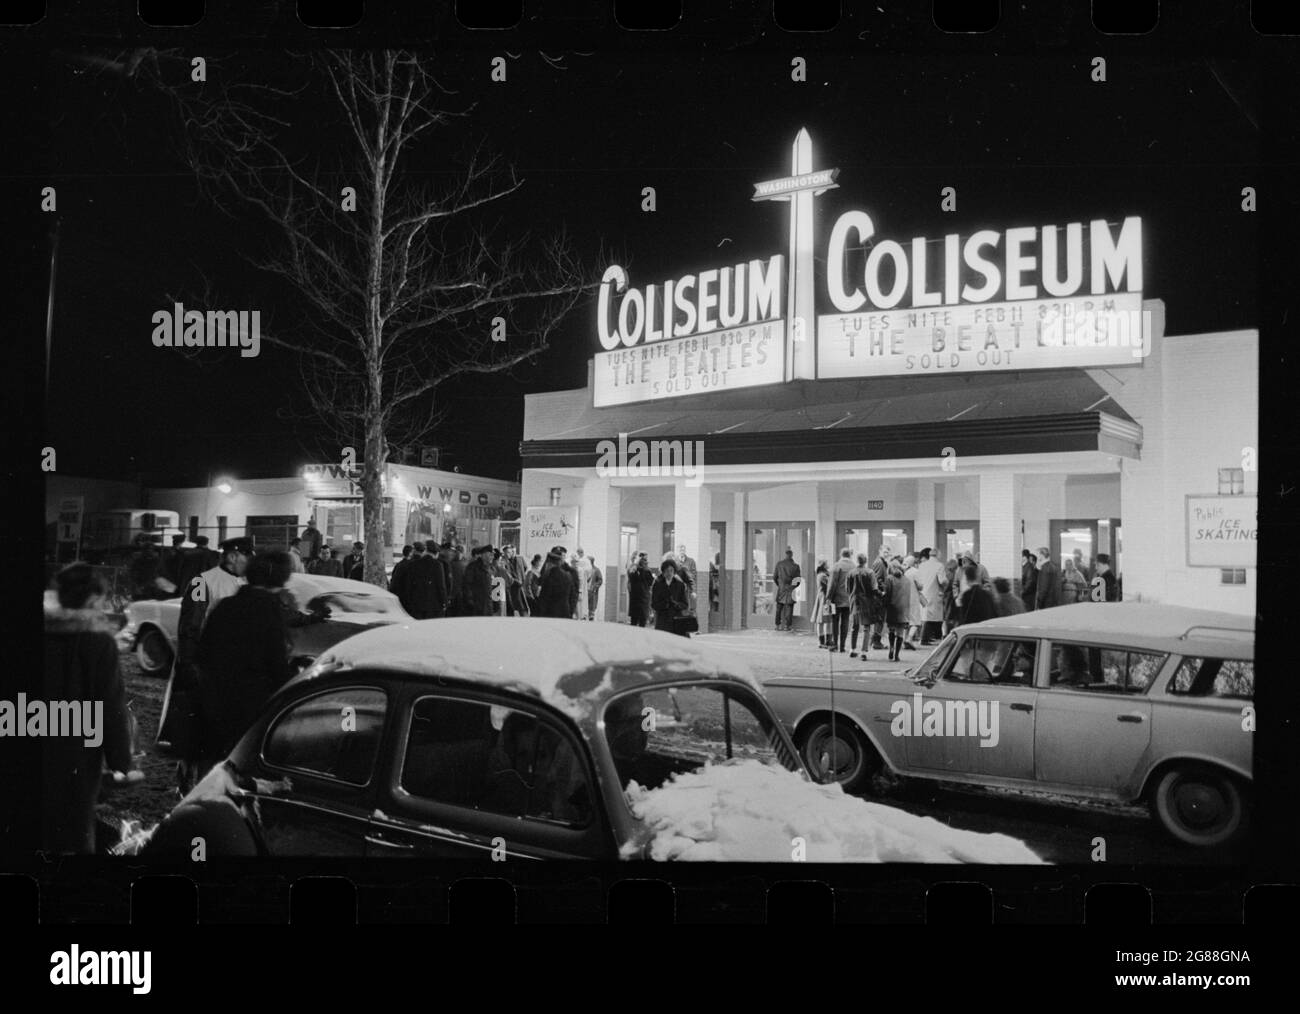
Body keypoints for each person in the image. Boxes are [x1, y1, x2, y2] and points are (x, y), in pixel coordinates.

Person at [42, 564, 137, 853]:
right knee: (75, 831)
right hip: (76, 750)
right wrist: (121, 761)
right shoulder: (97, 641)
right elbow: (111, 706)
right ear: (94, 598)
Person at [161, 536, 253, 792]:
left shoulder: (244, 583)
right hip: (205, 669)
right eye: (247, 555)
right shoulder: (203, 581)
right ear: (233, 555)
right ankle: (190, 783)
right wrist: (189, 664)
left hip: (228, 671)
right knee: (198, 732)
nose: (250, 560)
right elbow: (190, 626)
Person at [193, 551, 296, 772]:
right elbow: (276, 664)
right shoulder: (269, 609)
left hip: (214, 704)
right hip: (251, 708)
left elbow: (202, 652)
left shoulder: (224, 606)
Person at [406, 541, 451, 619]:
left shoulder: (414, 564)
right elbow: (441, 586)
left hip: (417, 603)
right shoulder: (437, 565)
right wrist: (444, 602)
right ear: (436, 553)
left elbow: (409, 584)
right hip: (433, 605)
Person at [883, 558, 913, 661]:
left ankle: (891, 648)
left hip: (892, 608)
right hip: (904, 609)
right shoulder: (907, 580)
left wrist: (884, 604)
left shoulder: (889, 578)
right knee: (900, 633)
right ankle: (897, 655)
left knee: (891, 629)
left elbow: (887, 594)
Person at [848, 552, 876, 659]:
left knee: (854, 626)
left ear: (857, 561)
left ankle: (852, 649)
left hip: (854, 600)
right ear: (866, 561)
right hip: (867, 602)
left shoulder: (851, 573)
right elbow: (874, 588)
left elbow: (847, 589)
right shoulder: (870, 572)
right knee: (866, 627)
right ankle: (864, 652)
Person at [915, 548, 947, 645]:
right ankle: (925, 638)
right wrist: (947, 582)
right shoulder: (939, 566)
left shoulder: (922, 565)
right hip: (934, 593)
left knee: (926, 615)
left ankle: (928, 637)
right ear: (937, 555)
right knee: (933, 617)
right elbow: (942, 581)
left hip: (923, 593)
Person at [651, 558, 690, 636]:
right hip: (662, 620)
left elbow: (685, 604)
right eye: (667, 571)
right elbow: (653, 604)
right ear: (663, 572)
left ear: (674, 571)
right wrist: (665, 604)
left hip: (676, 618)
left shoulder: (680, 585)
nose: (669, 573)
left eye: (671, 570)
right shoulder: (658, 584)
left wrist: (676, 604)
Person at [826, 548, 855, 653]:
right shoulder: (854, 566)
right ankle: (842, 646)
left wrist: (828, 598)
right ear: (850, 555)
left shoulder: (836, 566)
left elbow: (832, 584)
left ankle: (835, 644)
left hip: (836, 599)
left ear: (841, 555)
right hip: (849, 599)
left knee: (835, 620)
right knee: (845, 621)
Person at [538, 549, 576, 618]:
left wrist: (541, 613)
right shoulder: (568, 575)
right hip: (565, 612)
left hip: (550, 613)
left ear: (549, 563)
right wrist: (571, 612)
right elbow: (572, 596)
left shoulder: (549, 576)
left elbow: (544, 597)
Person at [462, 545, 496, 616]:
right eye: (490, 555)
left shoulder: (492, 569)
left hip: (488, 605)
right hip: (476, 605)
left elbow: (493, 587)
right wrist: (470, 601)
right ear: (483, 555)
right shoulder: (473, 567)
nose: (492, 557)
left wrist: (495, 604)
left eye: (493, 555)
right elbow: (467, 585)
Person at [773, 547, 801, 632]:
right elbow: (797, 580)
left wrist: (780, 585)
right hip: (791, 589)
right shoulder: (795, 566)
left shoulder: (779, 564)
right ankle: (787, 626)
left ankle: (778, 625)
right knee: (789, 608)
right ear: (792, 556)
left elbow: (774, 577)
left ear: (785, 555)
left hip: (781, 588)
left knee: (779, 607)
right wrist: (793, 587)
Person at [869, 545, 890, 649]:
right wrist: (882, 590)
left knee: (879, 619)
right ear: (880, 551)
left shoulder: (882, 562)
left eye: (887, 552)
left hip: (879, 595)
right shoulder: (879, 563)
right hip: (879, 596)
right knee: (879, 619)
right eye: (885, 552)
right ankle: (876, 642)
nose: (886, 554)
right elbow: (876, 579)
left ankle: (874, 641)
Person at [902, 554, 924, 650]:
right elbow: (920, 586)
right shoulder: (915, 572)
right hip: (913, 598)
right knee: (915, 621)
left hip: (903, 598)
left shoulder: (902, 572)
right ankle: (909, 639)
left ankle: (903, 639)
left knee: (905, 621)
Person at [627, 552, 655, 627]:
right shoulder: (633, 569)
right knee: (634, 622)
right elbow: (631, 575)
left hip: (644, 599)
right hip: (635, 600)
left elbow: (650, 582)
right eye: (643, 559)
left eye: (645, 560)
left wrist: (645, 570)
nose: (645, 562)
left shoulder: (647, 571)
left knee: (642, 622)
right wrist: (636, 564)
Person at [811, 559, 832, 648]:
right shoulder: (823, 576)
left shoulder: (821, 575)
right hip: (824, 598)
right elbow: (829, 585)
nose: (829, 565)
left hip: (822, 598)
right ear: (824, 565)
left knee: (824, 620)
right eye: (827, 564)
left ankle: (824, 640)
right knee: (823, 620)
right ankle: (824, 641)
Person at [1034, 546, 1061, 610]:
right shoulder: (1053, 566)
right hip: (1053, 600)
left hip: (1046, 603)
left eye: (1038, 554)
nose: (1037, 557)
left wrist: (1039, 603)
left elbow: (1043, 588)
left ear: (1042, 555)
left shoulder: (1045, 568)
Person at [676, 544, 699, 616]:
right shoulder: (674, 561)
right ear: (677, 551)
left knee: (688, 605)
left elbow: (694, 575)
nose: (682, 551)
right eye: (680, 550)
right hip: (677, 587)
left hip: (687, 588)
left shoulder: (691, 561)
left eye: (683, 550)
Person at [941, 557, 962, 634]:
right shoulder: (957, 575)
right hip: (953, 599)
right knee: (954, 619)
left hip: (947, 599)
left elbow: (945, 588)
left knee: (946, 619)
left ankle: (945, 636)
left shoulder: (947, 575)